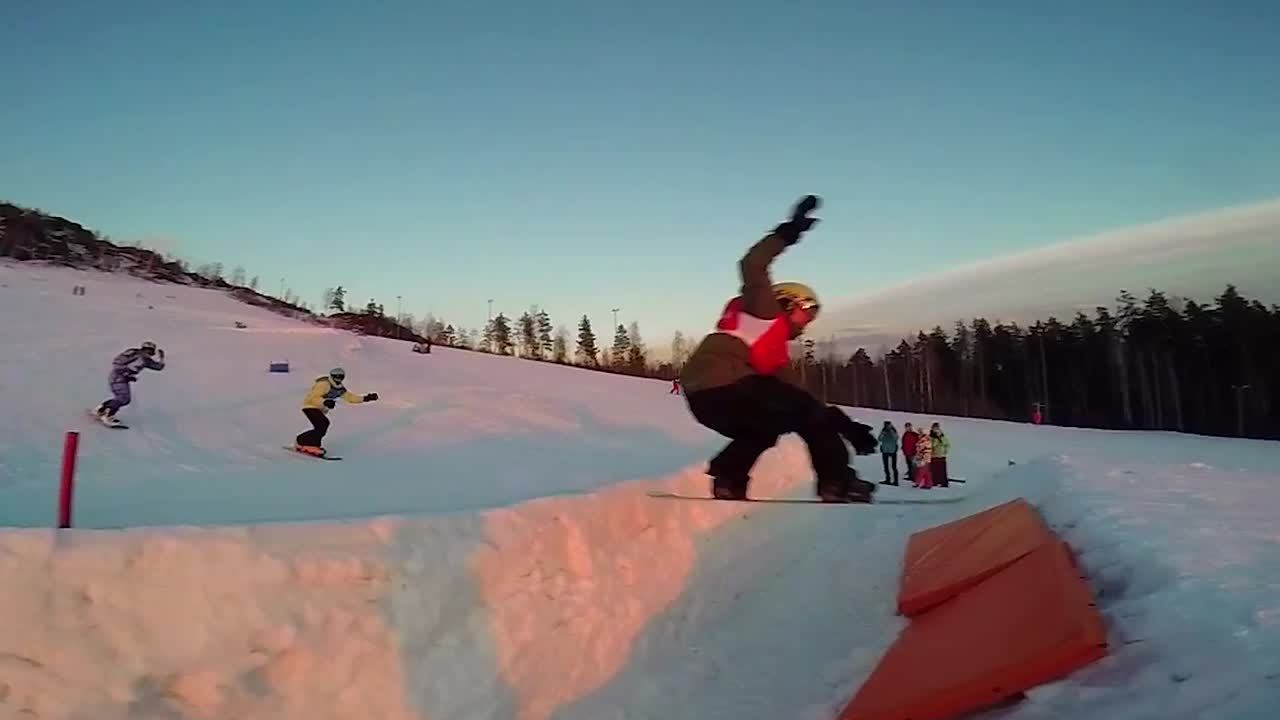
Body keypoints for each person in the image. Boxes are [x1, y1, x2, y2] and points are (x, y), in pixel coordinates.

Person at [678, 195, 879, 503]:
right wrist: (789, 231)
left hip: (705, 400)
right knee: (799, 412)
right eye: (806, 311)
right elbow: (752, 264)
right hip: (723, 382)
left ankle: (729, 479)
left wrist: (845, 425)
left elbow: (804, 399)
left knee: (769, 427)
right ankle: (837, 482)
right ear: (786, 301)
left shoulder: (773, 353)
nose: (807, 321)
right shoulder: (764, 309)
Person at [294, 367, 378, 456]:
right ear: (332, 376)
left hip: (320, 409)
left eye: (341, 377)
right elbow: (313, 398)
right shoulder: (324, 384)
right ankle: (303, 441)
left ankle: (308, 443)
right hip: (310, 406)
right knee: (323, 424)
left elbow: (350, 398)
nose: (338, 379)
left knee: (322, 427)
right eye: (336, 376)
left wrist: (366, 398)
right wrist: (325, 402)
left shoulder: (339, 388)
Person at [94, 341, 165, 426]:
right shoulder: (134, 354)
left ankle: (100, 409)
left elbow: (158, 367)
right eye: (148, 351)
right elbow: (117, 363)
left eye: (151, 352)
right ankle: (107, 415)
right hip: (118, 378)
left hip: (123, 379)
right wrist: (125, 373)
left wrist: (161, 358)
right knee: (123, 399)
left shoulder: (146, 360)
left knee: (122, 398)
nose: (149, 354)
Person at [877, 420, 900, 485]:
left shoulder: (893, 431)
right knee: (886, 466)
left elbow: (896, 438)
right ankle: (888, 479)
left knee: (894, 467)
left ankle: (895, 481)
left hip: (892, 450)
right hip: (885, 450)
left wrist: (891, 431)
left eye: (888, 425)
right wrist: (883, 433)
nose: (887, 426)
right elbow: (879, 439)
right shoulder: (883, 431)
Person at [929, 422, 950, 487]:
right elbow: (931, 445)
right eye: (934, 428)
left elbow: (947, 444)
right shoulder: (931, 436)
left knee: (942, 470)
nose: (936, 429)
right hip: (934, 455)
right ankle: (935, 481)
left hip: (941, 455)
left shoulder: (942, 435)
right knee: (934, 469)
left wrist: (945, 451)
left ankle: (944, 482)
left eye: (937, 428)